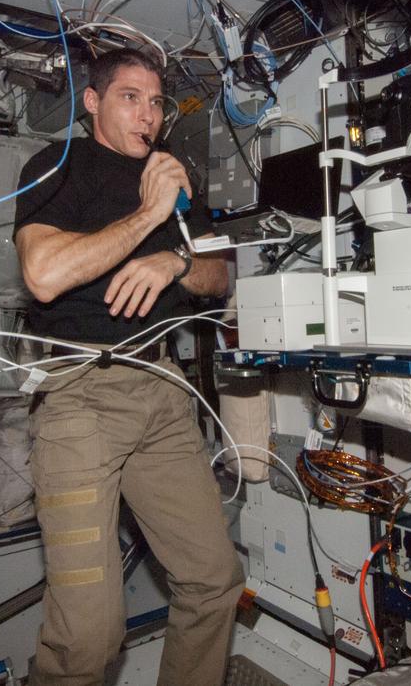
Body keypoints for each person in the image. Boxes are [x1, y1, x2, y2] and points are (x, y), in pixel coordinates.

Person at [13, 48, 244, 686]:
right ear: (92, 102)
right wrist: (147, 216)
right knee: (88, 639)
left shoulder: (173, 175)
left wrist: (171, 260)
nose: (148, 114)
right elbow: (43, 274)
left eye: (156, 101)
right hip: (83, 397)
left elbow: (218, 271)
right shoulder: (57, 167)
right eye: (129, 97)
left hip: (164, 394)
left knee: (214, 581)